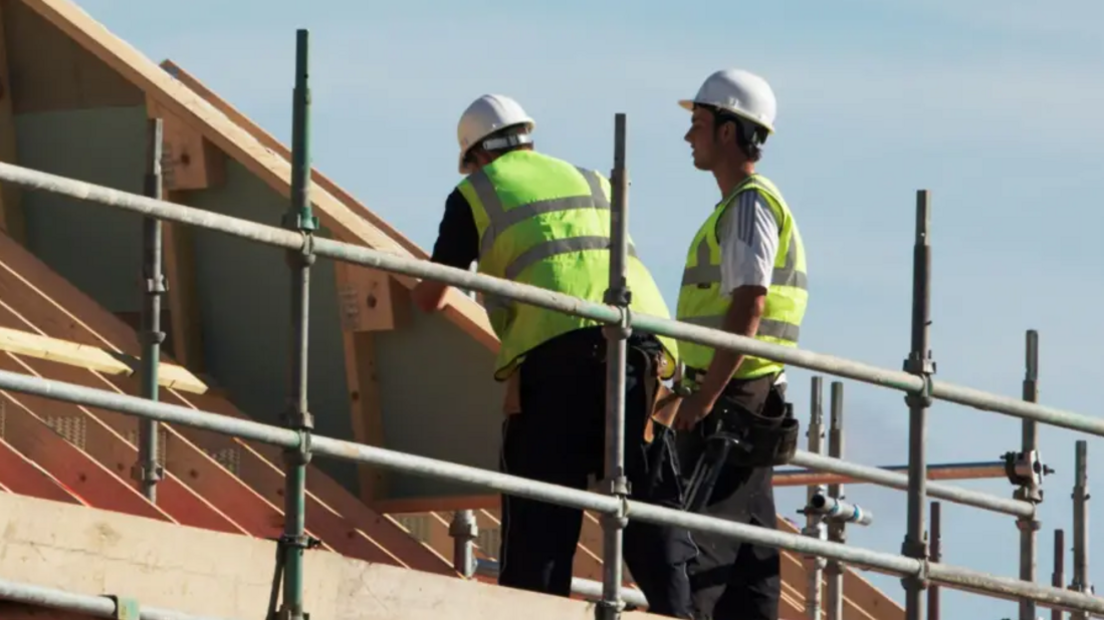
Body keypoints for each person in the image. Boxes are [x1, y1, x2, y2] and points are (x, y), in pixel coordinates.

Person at [411, 94, 695, 618]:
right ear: (527, 139)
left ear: (474, 156)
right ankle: (680, 613)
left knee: (542, 514)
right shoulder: (590, 179)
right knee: (648, 505)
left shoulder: (476, 191)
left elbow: (433, 294)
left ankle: (533, 612)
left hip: (558, 354)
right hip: (644, 351)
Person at [670, 69, 810, 620]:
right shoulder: (743, 205)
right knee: (751, 557)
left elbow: (750, 302)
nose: (689, 137)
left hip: (732, 394)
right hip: (752, 391)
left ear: (728, 132)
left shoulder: (750, 204)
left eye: (698, 124)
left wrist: (702, 399)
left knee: (697, 550)